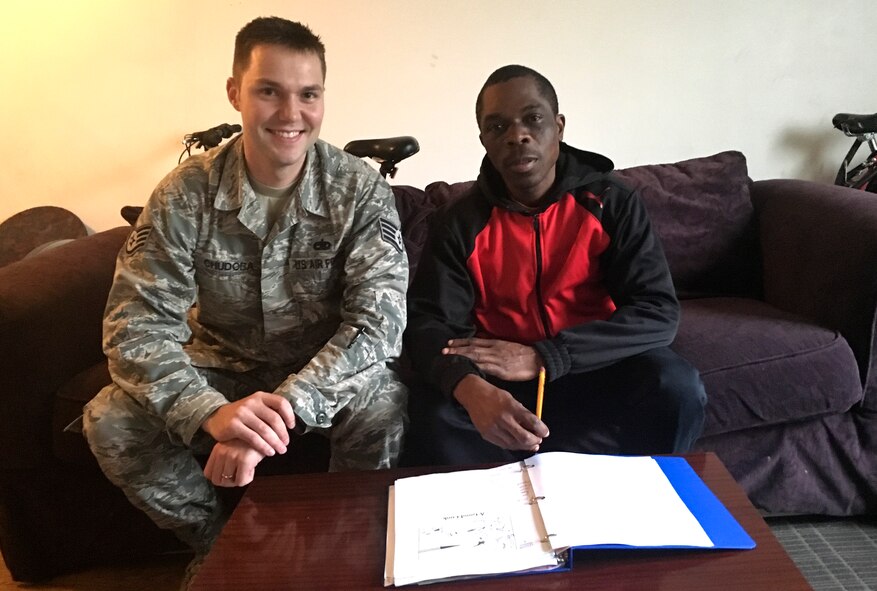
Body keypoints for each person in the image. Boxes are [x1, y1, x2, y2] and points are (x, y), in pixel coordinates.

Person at [82, 16, 408, 559]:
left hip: (315, 373)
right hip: (221, 368)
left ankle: (340, 553)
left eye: (308, 94)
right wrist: (207, 410)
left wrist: (282, 410)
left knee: (383, 403)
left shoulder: (358, 188)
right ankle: (218, 548)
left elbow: (378, 323)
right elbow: (134, 326)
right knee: (109, 419)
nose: (291, 114)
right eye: (268, 91)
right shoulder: (186, 192)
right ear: (235, 93)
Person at [402, 65, 706, 466]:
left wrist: (546, 356)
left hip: (593, 364)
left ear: (558, 126)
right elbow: (429, 324)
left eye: (533, 119)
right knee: (431, 412)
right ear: (484, 141)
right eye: (497, 127)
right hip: (503, 382)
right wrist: (469, 386)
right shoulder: (460, 221)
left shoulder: (612, 201)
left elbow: (658, 313)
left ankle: (650, 498)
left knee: (677, 387)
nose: (517, 135)